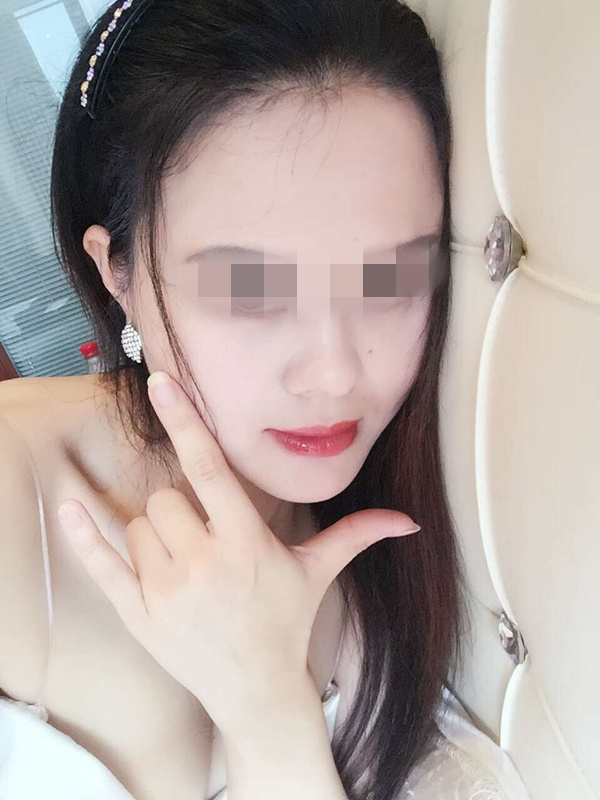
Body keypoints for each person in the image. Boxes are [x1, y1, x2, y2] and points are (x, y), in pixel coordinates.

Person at [0, 0, 532, 798]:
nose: (333, 372)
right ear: (118, 274)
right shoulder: (13, 504)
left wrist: (267, 714)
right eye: (246, 286)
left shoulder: (391, 537)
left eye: (392, 279)